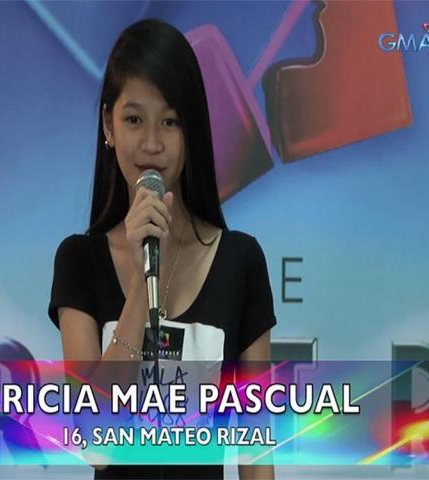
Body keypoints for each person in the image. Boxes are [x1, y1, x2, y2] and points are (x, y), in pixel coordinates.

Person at [49, 18, 276, 480]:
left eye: (170, 121)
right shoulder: (79, 262)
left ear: (191, 132)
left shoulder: (241, 261)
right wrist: (140, 282)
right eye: (134, 119)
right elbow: (94, 443)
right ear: (108, 126)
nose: (152, 143)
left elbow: (256, 452)